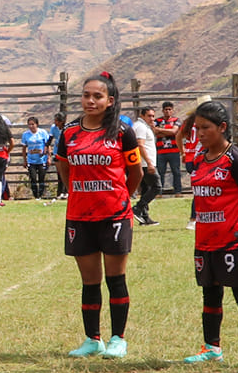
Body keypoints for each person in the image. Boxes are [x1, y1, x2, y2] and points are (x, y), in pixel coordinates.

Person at [57, 72, 142, 358]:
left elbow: (136, 172)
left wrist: (119, 198)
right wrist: (80, 193)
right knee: (89, 281)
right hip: (80, 216)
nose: (90, 101)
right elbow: (64, 167)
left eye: (97, 96)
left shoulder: (121, 132)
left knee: (115, 278)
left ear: (110, 101)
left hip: (115, 215)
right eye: (85, 95)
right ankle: (92, 339)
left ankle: (119, 339)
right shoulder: (68, 132)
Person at [180, 101, 238, 371]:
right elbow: (181, 138)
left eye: (206, 128)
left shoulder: (236, 159)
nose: (201, 133)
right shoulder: (198, 159)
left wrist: (231, 220)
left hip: (234, 241)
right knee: (211, 295)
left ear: (223, 128)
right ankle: (212, 348)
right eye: (197, 128)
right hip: (205, 241)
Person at [128, 105, 160, 226]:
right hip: (146, 163)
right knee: (157, 187)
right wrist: (149, 163)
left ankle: (144, 217)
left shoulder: (143, 126)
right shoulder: (140, 127)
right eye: (149, 116)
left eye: (153, 116)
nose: (152, 118)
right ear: (142, 116)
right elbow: (140, 145)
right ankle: (137, 209)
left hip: (145, 163)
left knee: (146, 189)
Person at [21, 116, 54, 200]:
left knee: (41, 178)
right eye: (29, 124)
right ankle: (35, 195)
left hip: (42, 159)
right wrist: (24, 160)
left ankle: (41, 195)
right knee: (33, 178)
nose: (31, 126)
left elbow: (48, 145)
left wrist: (49, 157)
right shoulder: (25, 134)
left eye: (33, 124)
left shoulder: (43, 133)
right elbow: (24, 148)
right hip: (31, 160)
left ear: (37, 124)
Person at [155, 101, 185, 196]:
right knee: (160, 172)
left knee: (176, 172)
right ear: (163, 111)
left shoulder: (177, 120)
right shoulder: (157, 121)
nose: (168, 111)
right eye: (166, 109)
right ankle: (159, 192)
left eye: (169, 109)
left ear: (172, 111)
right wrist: (168, 131)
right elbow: (154, 131)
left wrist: (160, 130)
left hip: (174, 151)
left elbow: (174, 131)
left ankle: (178, 191)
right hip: (161, 151)